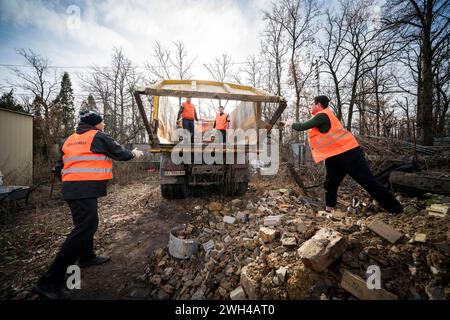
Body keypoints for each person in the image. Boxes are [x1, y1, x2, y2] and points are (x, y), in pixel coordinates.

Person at [32, 110, 144, 299]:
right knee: (86, 227)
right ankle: (48, 282)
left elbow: (59, 166)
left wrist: (71, 181)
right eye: (102, 121)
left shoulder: (70, 139)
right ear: (95, 123)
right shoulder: (98, 136)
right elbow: (121, 154)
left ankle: (86, 256)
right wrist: (135, 154)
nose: (104, 124)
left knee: (83, 225)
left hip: (73, 189)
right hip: (83, 189)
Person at [281, 96, 403, 214]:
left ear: (318, 105)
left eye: (312, 104)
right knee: (330, 183)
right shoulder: (321, 117)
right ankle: (329, 211)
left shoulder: (323, 115)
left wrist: (289, 123)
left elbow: (301, 126)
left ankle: (396, 209)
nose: (310, 106)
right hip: (334, 156)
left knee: (367, 181)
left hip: (349, 153)